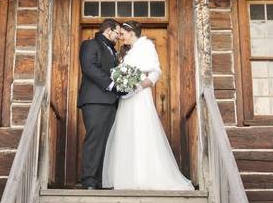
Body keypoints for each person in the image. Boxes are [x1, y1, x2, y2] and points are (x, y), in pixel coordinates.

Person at [102, 20, 193, 191]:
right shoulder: (127, 52)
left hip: (140, 96)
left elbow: (156, 71)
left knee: (142, 132)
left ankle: (145, 177)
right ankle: (127, 178)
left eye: (122, 34)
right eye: (119, 34)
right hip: (126, 99)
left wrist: (139, 86)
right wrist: (123, 85)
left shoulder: (146, 46)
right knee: (126, 132)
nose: (121, 37)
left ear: (131, 32)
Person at [77, 18, 123, 190]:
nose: (118, 37)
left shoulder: (113, 51)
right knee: (95, 140)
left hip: (111, 102)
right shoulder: (90, 45)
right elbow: (89, 67)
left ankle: (100, 180)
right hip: (95, 101)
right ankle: (89, 180)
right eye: (117, 33)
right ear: (108, 30)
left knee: (107, 142)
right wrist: (112, 85)